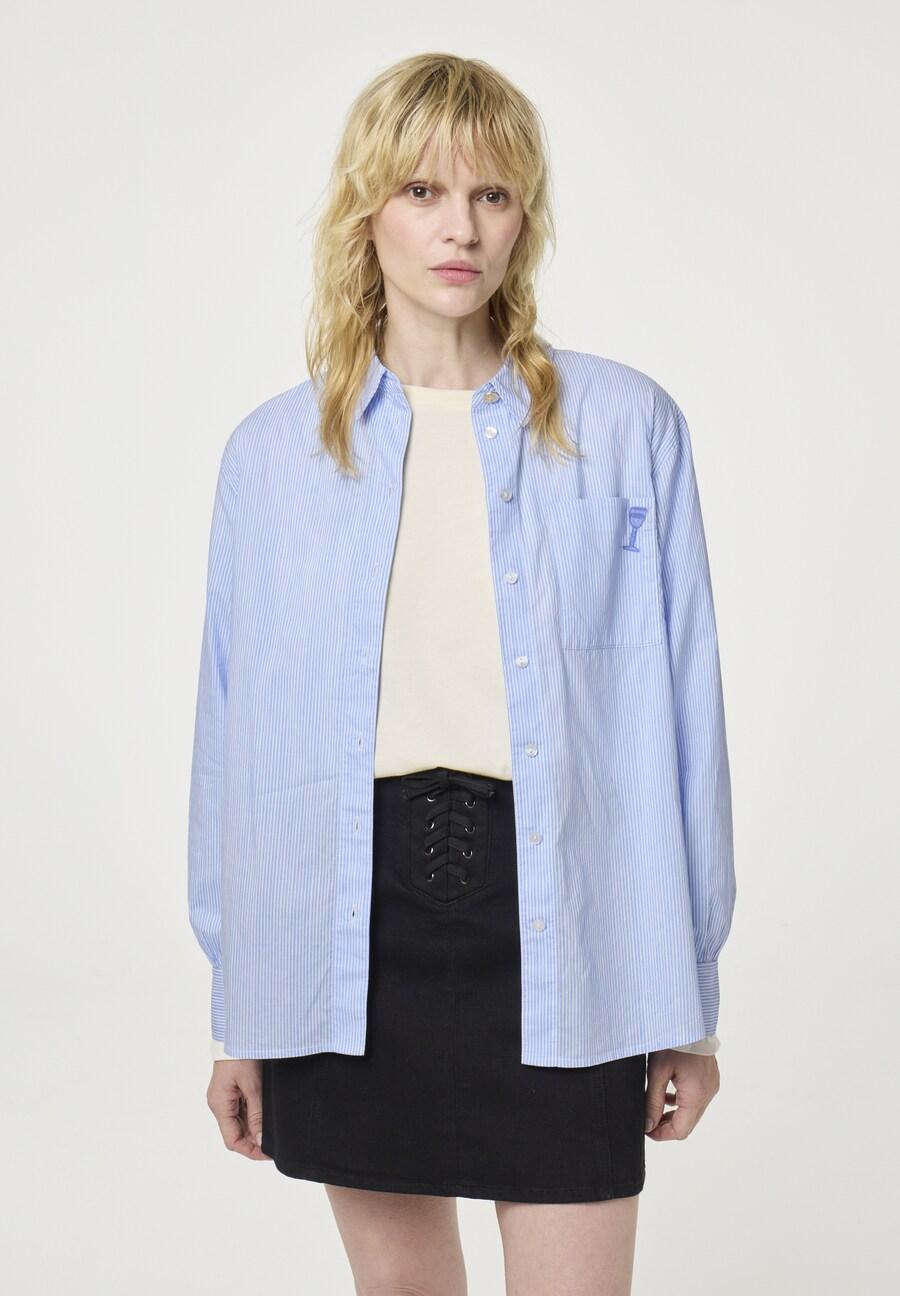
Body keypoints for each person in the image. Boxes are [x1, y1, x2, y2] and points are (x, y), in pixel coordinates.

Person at [187, 52, 736, 1296]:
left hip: (570, 926)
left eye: (492, 195)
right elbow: (233, 748)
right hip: (347, 939)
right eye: (423, 191)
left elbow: (686, 726)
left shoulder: (624, 428)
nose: (460, 229)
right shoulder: (273, 456)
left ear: (524, 217)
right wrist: (243, 1009)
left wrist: (688, 1004)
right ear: (365, 211)